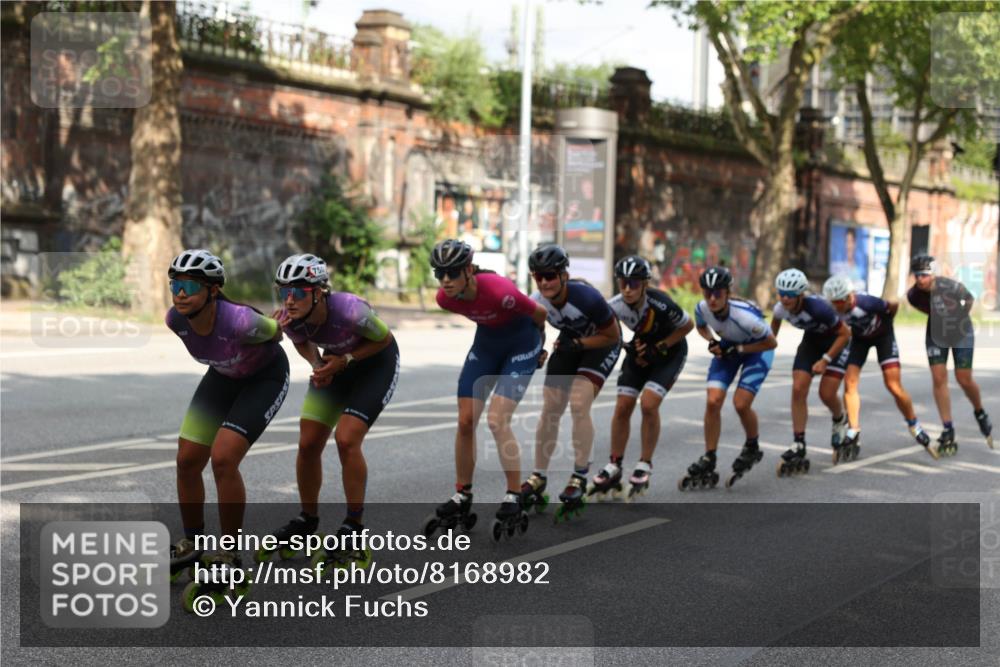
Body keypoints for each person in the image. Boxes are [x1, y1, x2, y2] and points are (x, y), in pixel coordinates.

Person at [258, 253, 400, 570]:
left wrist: (346, 360)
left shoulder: (350, 310)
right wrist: (318, 364)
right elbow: (300, 342)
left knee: (347, 439)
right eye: (284, 291)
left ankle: (354, 525)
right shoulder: (288, 317)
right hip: (335, 364)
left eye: (298, 292)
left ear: (319, 292)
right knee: (308, 442)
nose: (289, 299)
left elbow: (385, 339)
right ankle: (308, 519)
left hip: (374, 364)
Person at [165, 249, 289, 592]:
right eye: (175, 284)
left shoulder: (239, 321)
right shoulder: (175, 319)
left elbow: (276, 333)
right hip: (222, 377)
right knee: (187, 460)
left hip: (265, 379)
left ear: (213, 290)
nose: (180, 293)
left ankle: (230, 554)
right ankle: (192, 544)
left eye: (190, 286)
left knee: (222, 458)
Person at [422, 239, 549, 542]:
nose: (446, 281)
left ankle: (513, 495)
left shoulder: (499, 290)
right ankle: (462, 494)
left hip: (522, 344)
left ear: (468, 269)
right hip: (487, 346)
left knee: (496, 420)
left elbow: (540, 314)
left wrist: (539, 349)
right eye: (440, 274)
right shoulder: (445, 299)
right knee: (466, 420)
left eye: (452, 273)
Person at [520, 245, 622, 521]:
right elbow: (537, 329)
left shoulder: (587, 297)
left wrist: (579, 343)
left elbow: (611, 336)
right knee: (550, 408)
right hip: (570, 341)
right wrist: (539, 350)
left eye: (550, 275)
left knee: (578, 403)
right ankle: (539, 475)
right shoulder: (537, 300)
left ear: (564, 275)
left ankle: (579, 476)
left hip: (601, 342)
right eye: (538, 277)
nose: (544, 282)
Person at [680, 267, 778, 490]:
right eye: (708, 293)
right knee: (713, 401)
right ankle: (709, 456)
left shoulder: (744, 317)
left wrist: (741, 348)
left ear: (727, 293)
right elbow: (701, 326)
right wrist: (712, 341)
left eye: (718, 294)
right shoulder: (702, 308)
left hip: (757, 350)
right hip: (728, 348)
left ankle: (752, 445)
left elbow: (771, 343)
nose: (712, 299)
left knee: (741, 403)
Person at [607, 255, 694, 498]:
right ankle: (614, 464)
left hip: (670, 352)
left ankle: (645, 462)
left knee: (648, 404)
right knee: (623, 406)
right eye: (622, 282)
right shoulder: (614, 305)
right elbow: (606, 333)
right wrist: (628, 346)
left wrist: (662, 346)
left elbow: (688, 326)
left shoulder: (660, 303)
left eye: (634, 283)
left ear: (645, 284)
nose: (627, 289)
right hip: (642, 350)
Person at [822, 274, 935, 460]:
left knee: (893, 385)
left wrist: (887, 325)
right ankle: (854, 429)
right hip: (859, 340)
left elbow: (893, 305)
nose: (835, 307)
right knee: (849, 383)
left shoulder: (866, 303)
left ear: (849, 297)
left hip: (883, 336)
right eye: (832, 302)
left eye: (838, 302)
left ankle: (914, 424)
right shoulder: (834, 309)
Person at [906, 255, 993, 452]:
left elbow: (969, 298)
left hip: (960, 331)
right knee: (938, 378)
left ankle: (979, 412)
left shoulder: (950, 286)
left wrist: (958, 315)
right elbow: (925, 309)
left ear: (933, 274)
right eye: (917, 275)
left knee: (963, 379)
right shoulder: (913, 295)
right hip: (936, 333)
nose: (920, 279)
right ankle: (947, 427)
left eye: (924, 275)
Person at [770, 268, 852, 473]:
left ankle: (839, 418)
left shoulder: (819, 309)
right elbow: (770, 337)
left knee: (826, 393)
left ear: (800, 295)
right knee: (798, 389)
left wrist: (825, 360)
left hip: (836, 342)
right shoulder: (780, 309)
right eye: (781, 294)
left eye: (789, 295)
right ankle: (799, 442)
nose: (784, 299)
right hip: (811, 343)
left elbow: (845, 334)